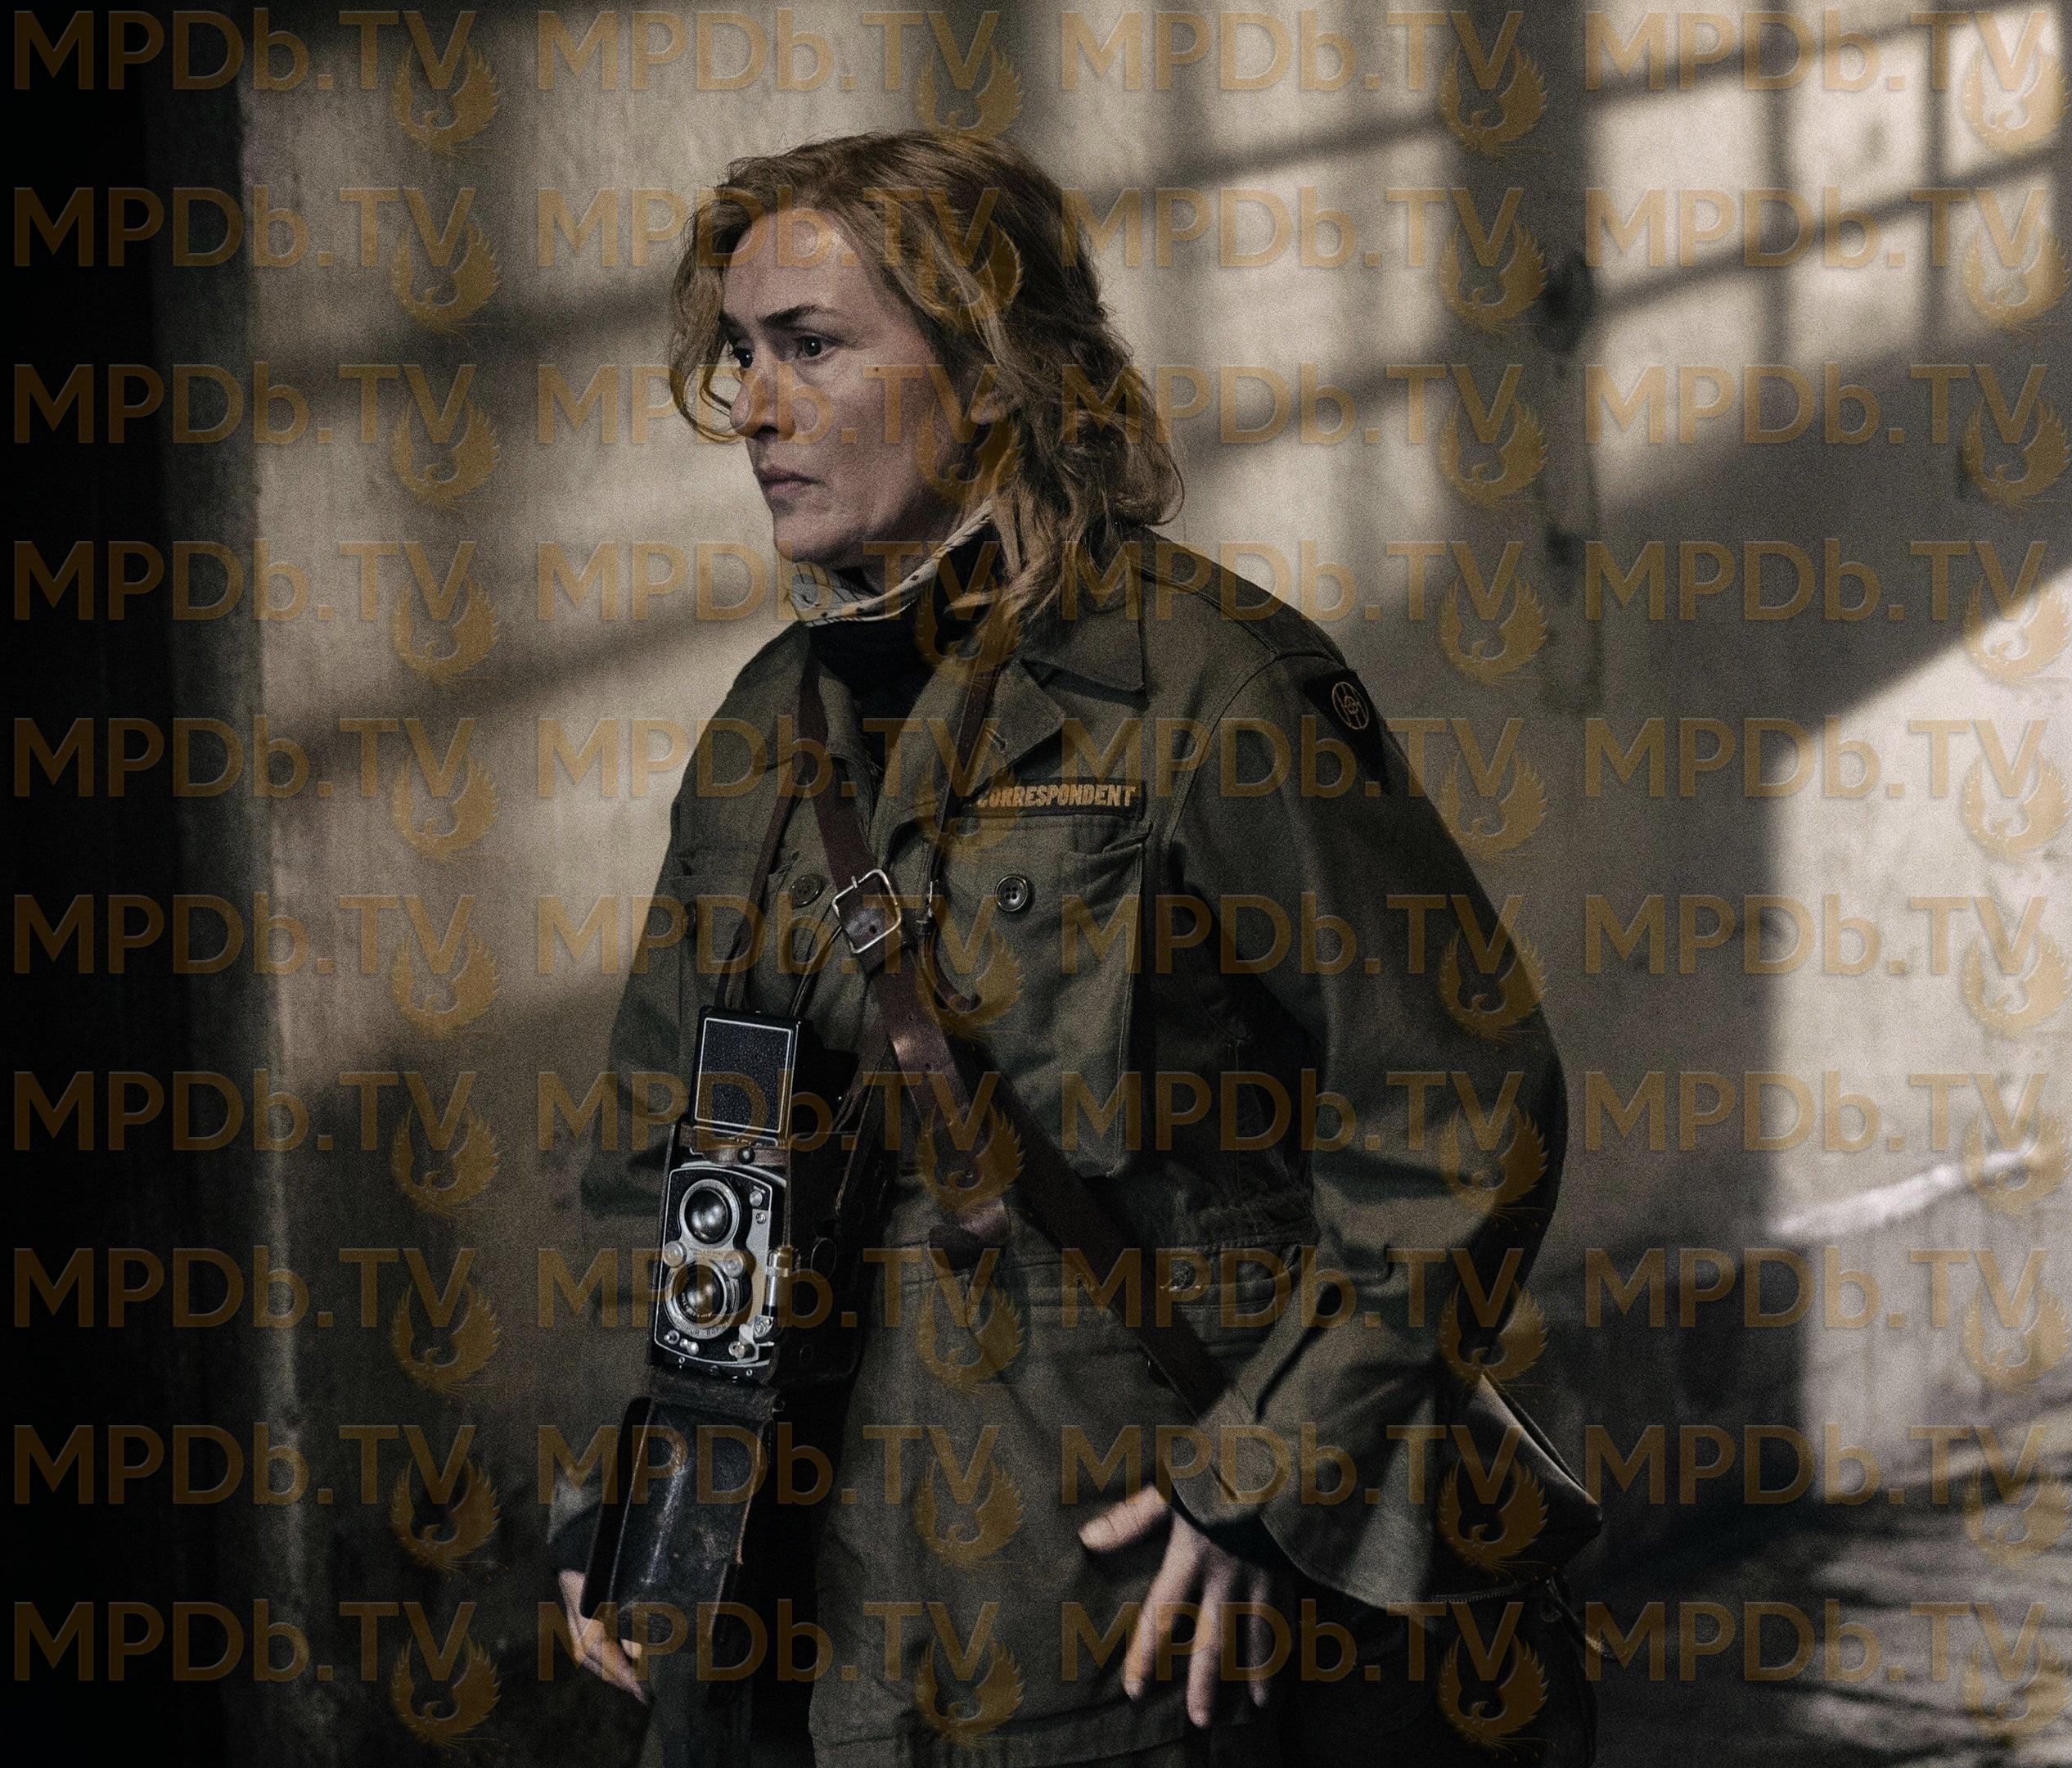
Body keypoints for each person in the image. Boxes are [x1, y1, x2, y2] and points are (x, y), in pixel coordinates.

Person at [545, 130, 1578, 1767]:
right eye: (740, 352)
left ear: (993, 372)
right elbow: (680, 1157)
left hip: (1130, 1610)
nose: (752, 406)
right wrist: (644, 1496)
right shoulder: (764, 733)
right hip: (814, 1629)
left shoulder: (1208, 688)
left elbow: (1460, 1110)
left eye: (811, 345)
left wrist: (1270, 1478)